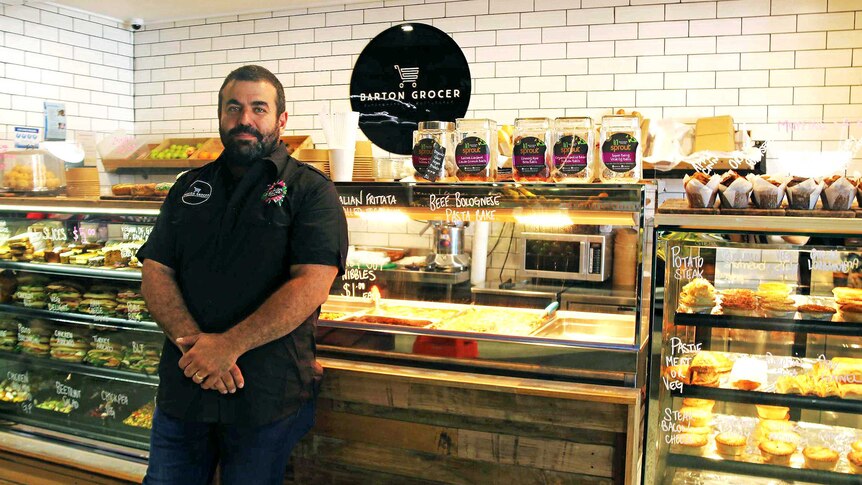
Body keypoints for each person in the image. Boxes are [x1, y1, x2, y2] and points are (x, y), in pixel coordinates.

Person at [137, 64, 348, 484]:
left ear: (280, 120)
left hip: (264, 396)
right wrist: (197, 348)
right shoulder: (188, 188)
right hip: (186, 386)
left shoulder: (310, 190)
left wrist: (228, 345)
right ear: (220, 116)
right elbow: (156, 271)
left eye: (258, 108)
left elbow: (312, 283)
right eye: (233, 108)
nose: (244, 119)